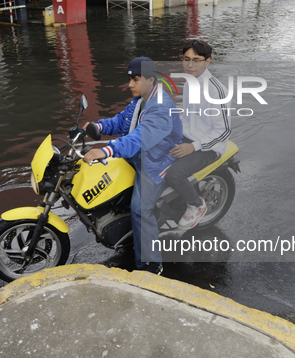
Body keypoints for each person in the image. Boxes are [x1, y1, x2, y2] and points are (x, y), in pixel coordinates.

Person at [84, 57, 182, 275]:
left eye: (135, 80)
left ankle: (151, 264)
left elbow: (139, 137)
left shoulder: (161, 106)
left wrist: (106, 149)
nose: (130, 84)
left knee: (141, 209)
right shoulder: (140, 99)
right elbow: (123, 122)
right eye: (130, 79)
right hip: (137, 155)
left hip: (156, 160)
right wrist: (96, 126)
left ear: (150, 79)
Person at [165, 40, 231, 230]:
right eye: (186, 59)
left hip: (208, 147)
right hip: (188, 137)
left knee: (174, 175)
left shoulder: (217, 91)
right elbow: (190, 115)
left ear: (207, 61)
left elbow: (224, 131)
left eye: (196, 60)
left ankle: (197, 204)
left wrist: (193, 146)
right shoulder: (191, 83)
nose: (190, 65)